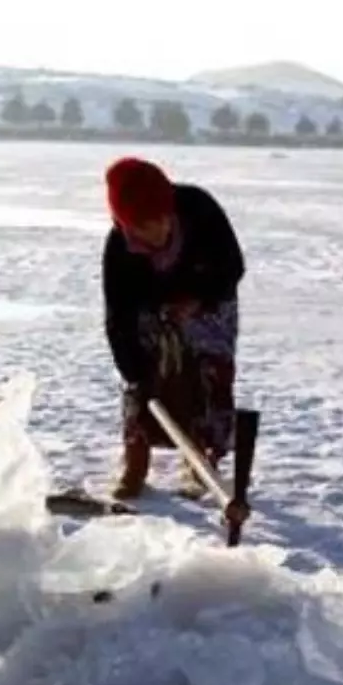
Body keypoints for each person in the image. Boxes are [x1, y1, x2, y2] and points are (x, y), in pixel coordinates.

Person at [100, 156, 245, 500]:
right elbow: (119, 318)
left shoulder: (199, 208)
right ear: (128, 224)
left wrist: (199, 300)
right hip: (151, 312)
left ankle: (200, 457)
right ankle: (136, 461)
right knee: (144, 377)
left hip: (209, 300)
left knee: (209, 372)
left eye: (163, 219)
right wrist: (134, 372)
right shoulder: (119, 249)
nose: (160, 230)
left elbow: (232, 266)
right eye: (146, 225)